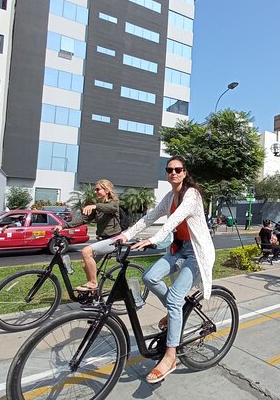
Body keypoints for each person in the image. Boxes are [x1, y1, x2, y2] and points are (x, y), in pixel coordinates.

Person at [115, 156, 215, 384]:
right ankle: (174, 313)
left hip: (196, 253)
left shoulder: (192, 195)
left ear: (184, 172)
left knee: (174, 299)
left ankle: (171, 356)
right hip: (178, 248)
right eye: (169, 169)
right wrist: (125, 235)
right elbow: (150, 217)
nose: (173, 173)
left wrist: (153, 239)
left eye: (177, 169)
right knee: (149, 277)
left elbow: (174, 220)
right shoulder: (169, 196)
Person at [55, 179, 121, 291]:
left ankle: (93, 283)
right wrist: (63, 226)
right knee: (86, 266)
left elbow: (111, 208)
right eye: (95, 189)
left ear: (107, 190)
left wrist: (95, 206)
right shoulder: (98, 208)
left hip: (113, 240)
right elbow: (83, 219)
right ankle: (93, 294)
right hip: (102, 240)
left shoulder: (113, 203)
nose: (95, 192)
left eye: (98, 189)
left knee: (86, 251)